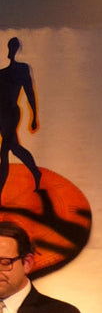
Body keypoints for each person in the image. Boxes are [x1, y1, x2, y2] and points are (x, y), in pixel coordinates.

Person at [0, 37, 41, 202]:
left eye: (14, 47)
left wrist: (34, 115)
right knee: (15, 149)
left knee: (4, 152)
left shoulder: (22, 70)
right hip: (1, 115)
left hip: (11, 114)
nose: (12, 50)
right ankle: (36, 172)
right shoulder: (1, 73)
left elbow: (29, 92)